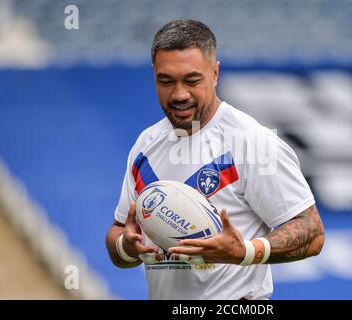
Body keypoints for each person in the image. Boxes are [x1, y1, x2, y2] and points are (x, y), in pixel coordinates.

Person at [105, 19, 325, 300]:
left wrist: (244, 252)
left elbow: (312, 231)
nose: (179, 94)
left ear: (215, 73)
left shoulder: (252, 141)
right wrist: (127, 246)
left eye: (192, 80)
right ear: (154, 75)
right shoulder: (145, 145)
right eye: (166, 81)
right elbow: (118, 233)